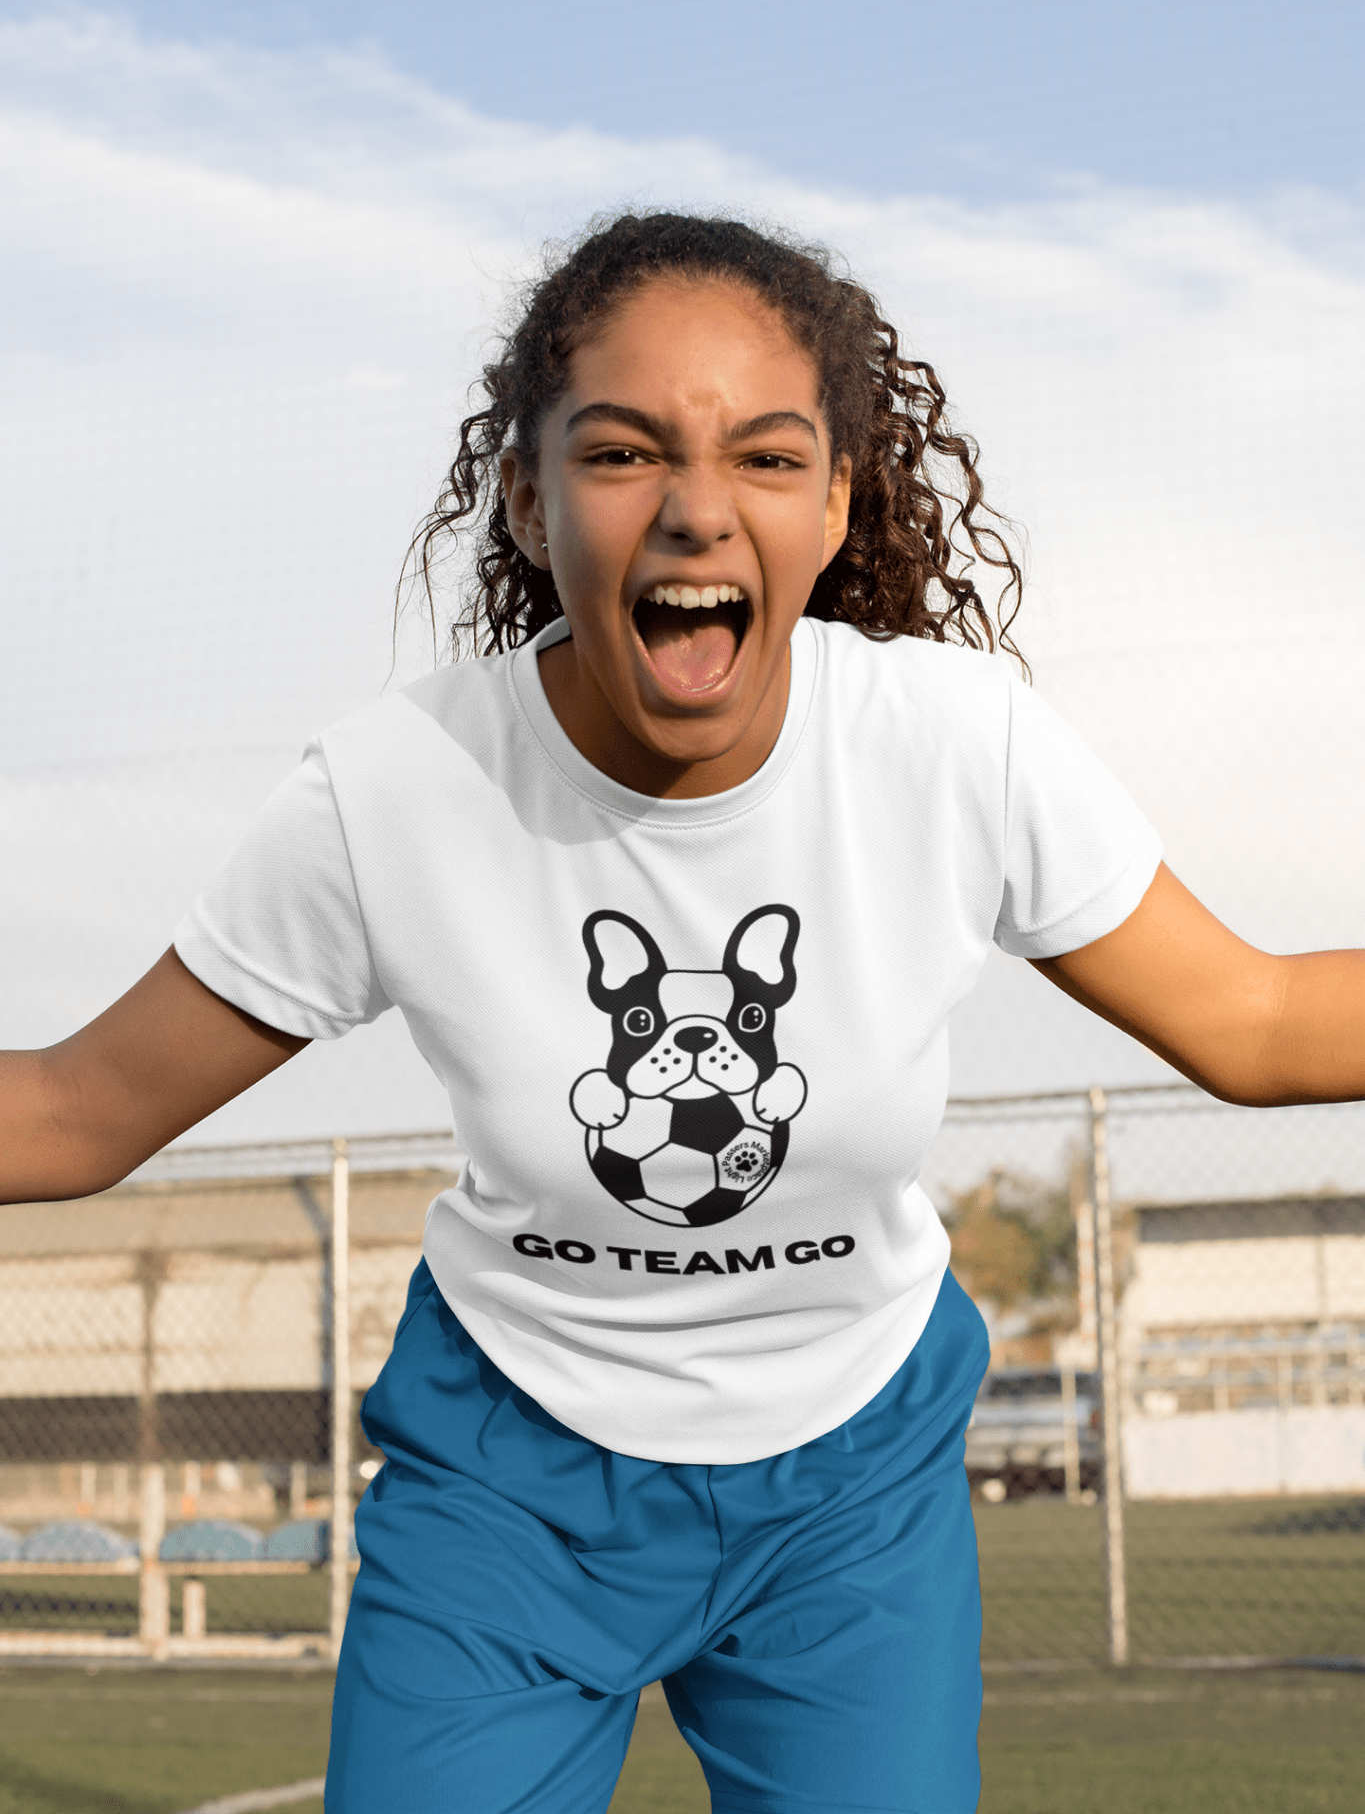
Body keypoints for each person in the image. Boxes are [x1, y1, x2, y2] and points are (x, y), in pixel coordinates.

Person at [3, 211, 1362, 1813]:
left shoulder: (953, 749)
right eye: (626, 452)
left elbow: (1261, 1024)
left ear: (836, 498)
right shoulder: (395, 793)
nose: (699, 511)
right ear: (528, 496)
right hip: (514, 1477)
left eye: (769, 460)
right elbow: (77, 1112)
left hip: (850, 1482)